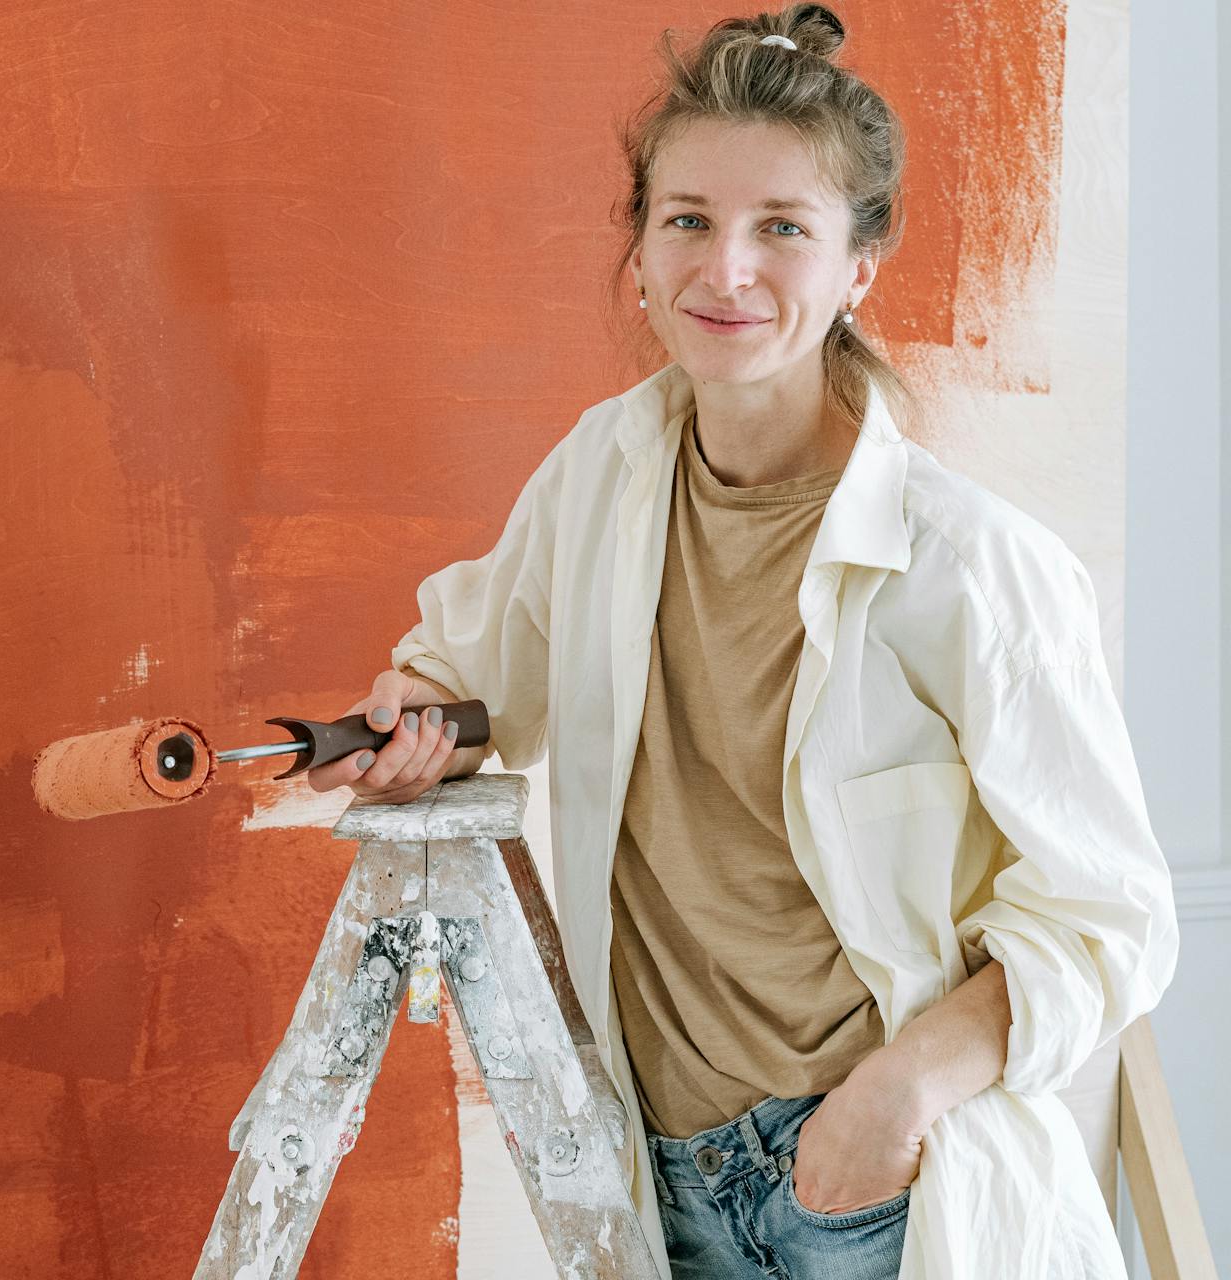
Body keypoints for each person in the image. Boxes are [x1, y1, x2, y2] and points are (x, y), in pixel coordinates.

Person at [306, 5, 1180, 1279]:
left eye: (782, 228)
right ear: (642, 249)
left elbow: (1113, 917)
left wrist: (888, 1105)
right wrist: (415, 718)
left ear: (858, 267)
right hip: (656, 1180)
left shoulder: (968, 562)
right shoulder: (598, 477)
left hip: (872, 1196)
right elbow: (474, 671)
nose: (726, 271)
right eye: (689, 220)